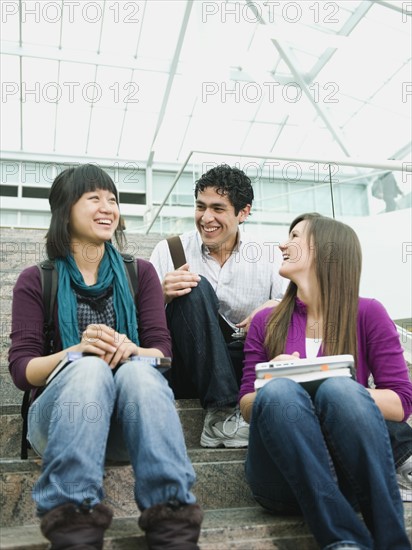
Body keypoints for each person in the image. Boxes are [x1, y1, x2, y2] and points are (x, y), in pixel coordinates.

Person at [8, 164, 203, 549]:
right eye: (93, 198)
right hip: (61, 424)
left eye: (112, 199)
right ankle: (74, 529)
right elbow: (21, 370)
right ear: (65, 210)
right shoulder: (37, 279)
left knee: (141, 372)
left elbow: (162, 354)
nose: (107, 208)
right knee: (88, 368)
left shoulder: (140, 273)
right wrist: (74, 352)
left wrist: (134, 351)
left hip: (130, 425)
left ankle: (174, 527)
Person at [239, 213, 412, 550]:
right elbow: (246, 405)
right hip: (279, 478)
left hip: (347, 474)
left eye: (294, 237)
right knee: (280, 391)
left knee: (338, 388)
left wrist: (326, 381)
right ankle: (342, 539)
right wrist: (273, 378)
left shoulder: (368, 313)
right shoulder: (265, 321)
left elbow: (402, 403)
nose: (282, 245)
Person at [150, 164, 284, 448]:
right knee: (192, 287)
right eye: (201, 207)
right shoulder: (169, 250)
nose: (206, 218)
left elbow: (298, 313)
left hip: (242, 362)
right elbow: (141, 324)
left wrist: (274, 306)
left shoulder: (268, 255)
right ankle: (220, 414)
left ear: (243, 212)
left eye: (218, 209)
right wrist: (161, 296)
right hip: (186, 366)